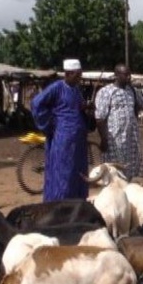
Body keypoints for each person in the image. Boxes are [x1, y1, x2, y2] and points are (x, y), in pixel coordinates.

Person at [31, 58, 91, 202]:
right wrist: (50, 124)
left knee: (77, 173)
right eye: (77, 75)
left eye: (80, 74)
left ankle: (76, 204)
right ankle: (59, 204)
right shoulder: (57, 88)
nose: (79, 77)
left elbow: (76, 107)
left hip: (78, 142)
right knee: (63, 173)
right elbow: (36, 103)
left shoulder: (76, 90)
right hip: (63, 141)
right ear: (68, 74)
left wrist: (85, 107)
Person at [94, 64, 143, 181]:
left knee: (129, 167)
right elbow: (100, 118)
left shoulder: (132, 91)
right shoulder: (106, 92)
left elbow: (142, 104)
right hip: (114, 139)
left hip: (131, 139)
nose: (129, 77)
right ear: (116, 75)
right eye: (125, 75)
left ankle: (126, 190)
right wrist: (104, 139)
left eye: (129, 74)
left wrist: (133, 90)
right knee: (114, 169)